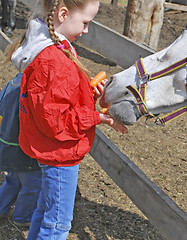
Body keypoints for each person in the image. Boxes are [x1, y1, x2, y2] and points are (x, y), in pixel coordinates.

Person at [5, 0, 122, 237]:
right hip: (59, 153)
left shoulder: (55, 48)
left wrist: (88, 93)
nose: (86, 30)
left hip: (51, 150)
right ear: (63, 14)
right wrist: (95, 116)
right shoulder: (53, 61)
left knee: (44, 210)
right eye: (85, 22)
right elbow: (54, 121)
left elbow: (58, 99)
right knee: (58, 223)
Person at [0, 73, 42, 227]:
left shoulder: (14, 82)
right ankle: (23, 217)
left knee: (13, 179)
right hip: (23, 150)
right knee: (33, 184)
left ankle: (2, 208)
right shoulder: (33, 90)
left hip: (7, 143)